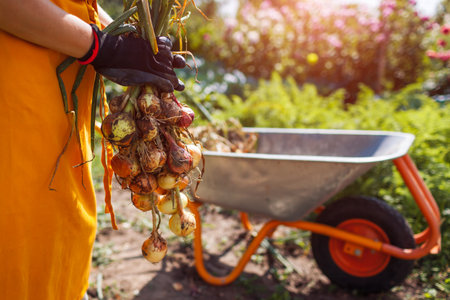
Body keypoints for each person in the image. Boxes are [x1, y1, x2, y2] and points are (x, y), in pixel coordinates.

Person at [0, 1, 184, 299]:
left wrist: (129, 42)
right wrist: (103, 47)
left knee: (58, 229)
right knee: (17, 236)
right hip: (16, 93)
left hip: (62, 108)